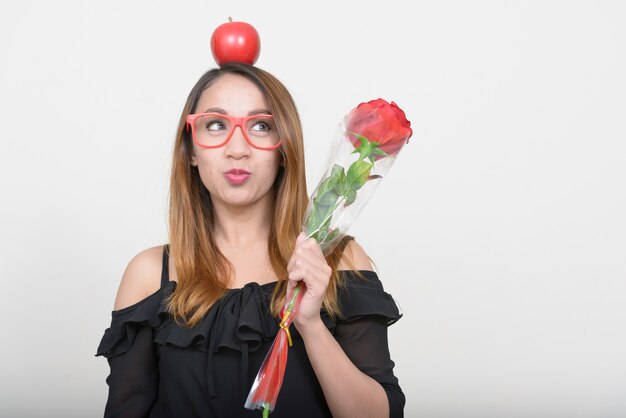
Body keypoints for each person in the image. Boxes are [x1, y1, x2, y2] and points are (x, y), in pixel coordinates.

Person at [96, 62, 404, 418]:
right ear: (192, 151)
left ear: (283, 148)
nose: (237, 148)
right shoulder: (149, 274)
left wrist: (311, 325)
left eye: (260, 126)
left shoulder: (339, 260)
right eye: (216, 125)